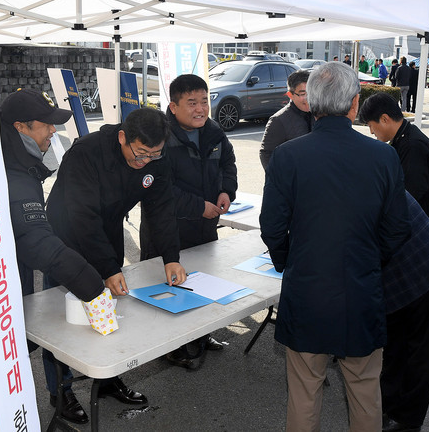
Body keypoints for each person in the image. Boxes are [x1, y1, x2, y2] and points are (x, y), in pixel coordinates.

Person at [260, 62, 411, 432]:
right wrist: (369, 259)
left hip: (307, 288)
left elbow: (272, 226)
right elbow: (397, 228)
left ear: (311, 102)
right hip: (361, 288)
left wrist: (288, 261)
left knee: (304, 391)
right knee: (364, 389)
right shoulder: (384, 155)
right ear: (355, 103)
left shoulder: (288, 156)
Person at [45, 107, 187, 413]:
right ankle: (61, 391)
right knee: (60, 318)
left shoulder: (156, 157)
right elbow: (82, 217)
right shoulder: (86, 153)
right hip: (64, 235)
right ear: (123, 137)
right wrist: (108, 267)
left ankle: (108, 379)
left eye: (154, 154)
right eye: (140, 153)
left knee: (109, 308)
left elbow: (162, 208)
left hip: (107, 229)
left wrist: (171, 257)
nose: (145, 161)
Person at [360, 92, 429, 432]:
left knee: (419, 347)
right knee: (397, 342)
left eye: (372, 126)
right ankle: (389, 405)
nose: (372, 134)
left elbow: (405, 210)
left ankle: (408, 420)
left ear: (385, 119)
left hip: (427, 259)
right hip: (415, 254)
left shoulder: (413, 147)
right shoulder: (397, 146)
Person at [0, 88, 105, 425]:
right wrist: (93, 288)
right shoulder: (12, 175)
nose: (53, 131)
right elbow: (37, 242)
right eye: (46, 124)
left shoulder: (14, 161)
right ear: (20, 127)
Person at [140, 74, 237, 368]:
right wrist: (198, 207)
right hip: (169, 227)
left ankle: (201, 335)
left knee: (202, 280)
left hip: (205, 225)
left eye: (204, 101)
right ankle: (169, 346)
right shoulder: (160, 137)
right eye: (192, 103)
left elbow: (228, 165)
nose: (200, 109)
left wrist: (226, 191)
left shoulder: (215, 132)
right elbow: (160, 190)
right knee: (167, 287)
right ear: (173, 106)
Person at [259, 71, 312, 169]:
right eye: (303, 94)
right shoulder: (278, 120)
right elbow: (266, 154)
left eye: (311, 93)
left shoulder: (320, 113)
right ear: (290, 95)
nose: (308, 98)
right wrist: (280, 177)